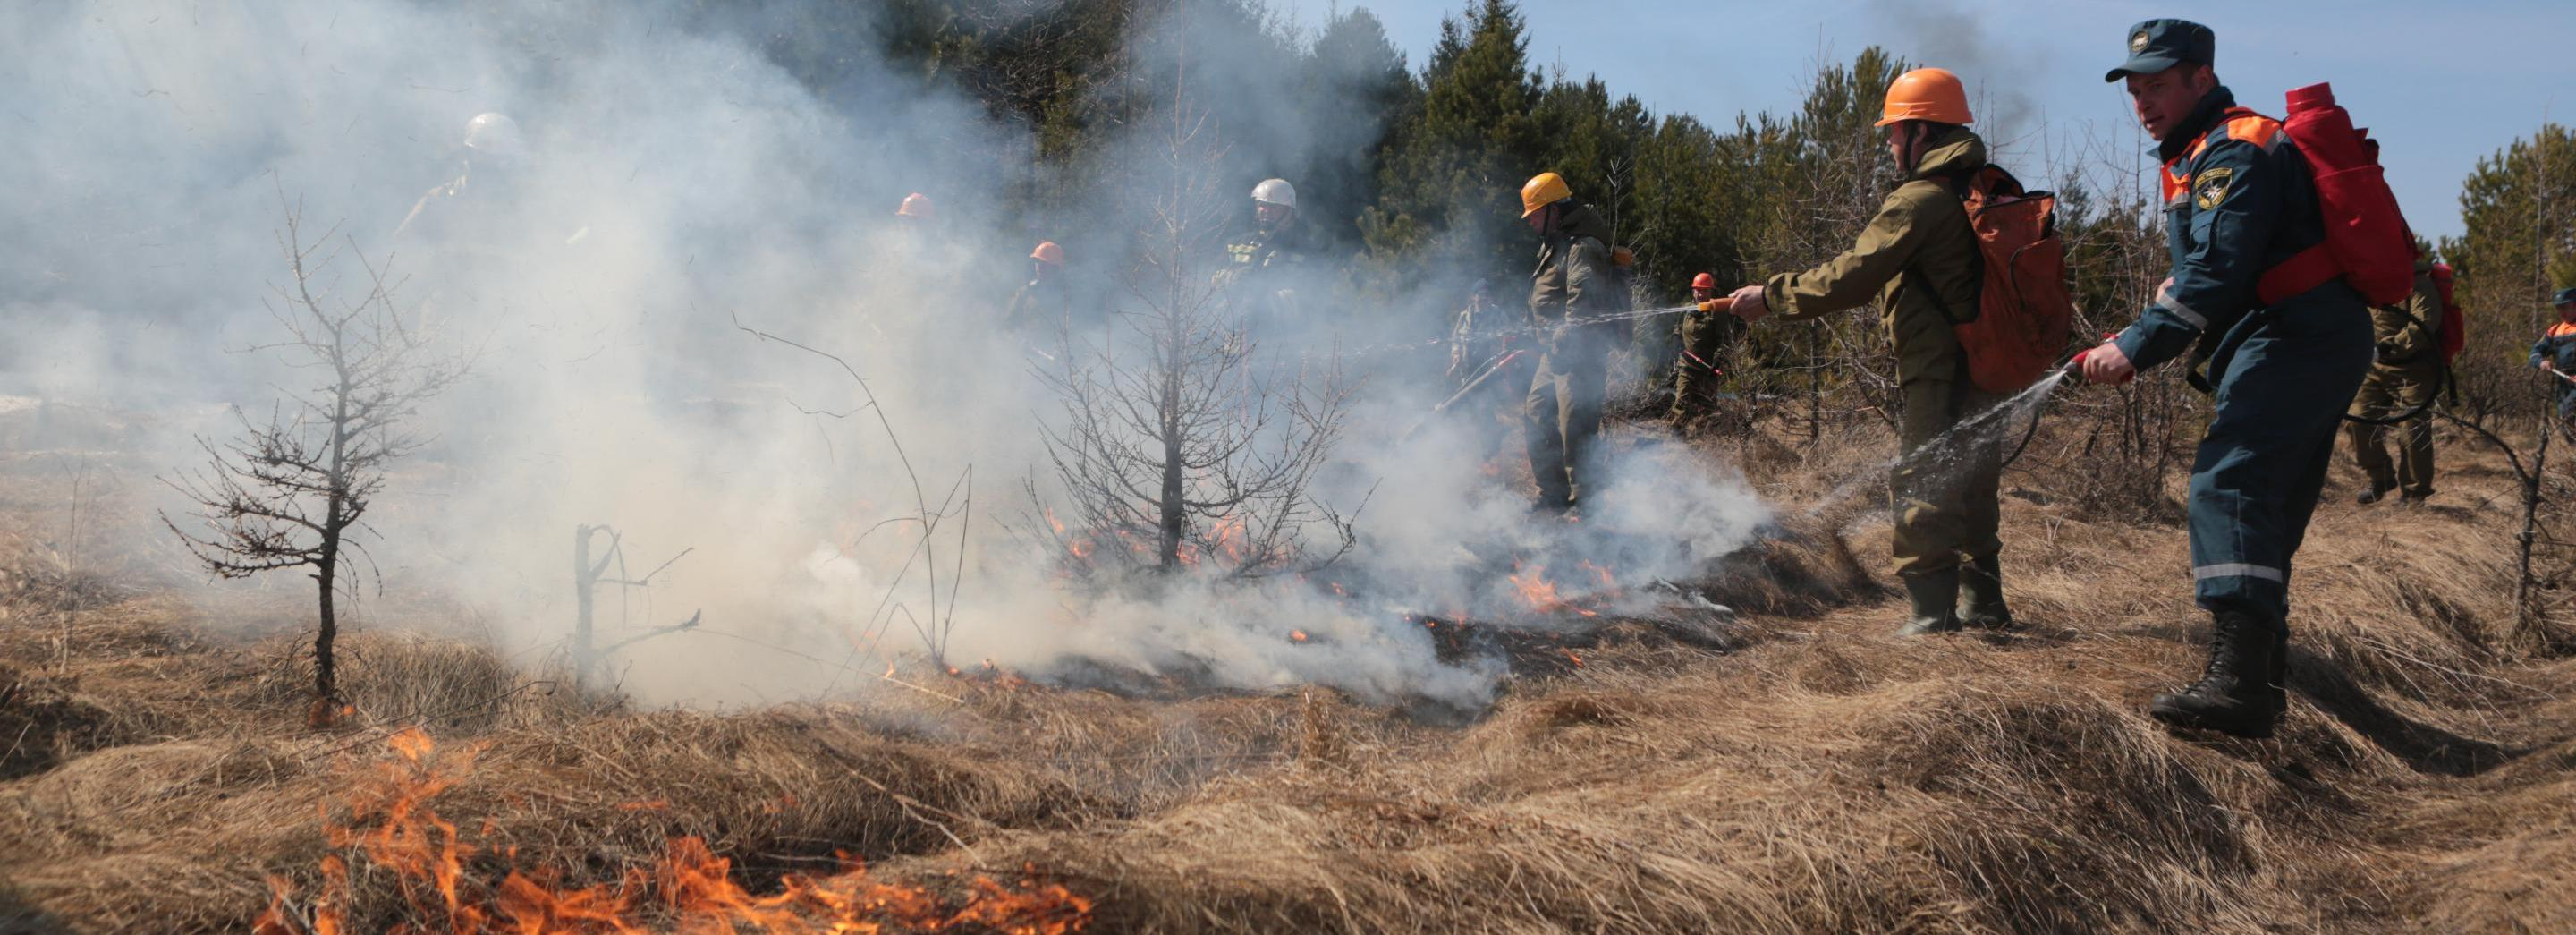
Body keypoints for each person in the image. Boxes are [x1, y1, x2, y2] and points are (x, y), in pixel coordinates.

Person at [2076, 19, 2377, 739]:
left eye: (2159, 85)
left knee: (2228, 485)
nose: (2144, 101)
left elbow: (2218, 271)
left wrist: (2136, 347)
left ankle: (2238, 685)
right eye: (2136, 89)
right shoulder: (2202, 152)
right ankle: (2260, 687)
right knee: (2263, 506)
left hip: (2297, 335)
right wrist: (2162, 304)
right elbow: (2219, 264)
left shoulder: (2232, 151)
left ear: (2201, 80)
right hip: (2305, 334)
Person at [1723, 68, 2008, 635]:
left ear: (1923, 132)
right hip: (1990, 362)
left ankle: (1931, 619)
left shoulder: (1919, 201)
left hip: (1939, 367)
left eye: (1896, 132)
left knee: (1924, 482)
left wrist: (1771, 297)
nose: (1889, 143)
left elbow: (1851, 276)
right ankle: (1987, 609)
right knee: (1973, 483)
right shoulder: (1984, 186)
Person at [1520, 172, 1626, 515]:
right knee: (1537, 414)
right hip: (1556, 354)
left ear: (1554, 209)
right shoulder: (1555, 245)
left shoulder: (1583, 247)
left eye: (1535, 213)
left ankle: (1586, 504)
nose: (1531, 221)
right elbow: (1547, 297)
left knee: (1574, 426)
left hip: (1581, 355)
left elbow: (1584, 303)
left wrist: (1561, 336)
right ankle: (1552, 495)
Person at [2346, 257, 2445, 505]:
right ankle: (2380, 478)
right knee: (2357, 418)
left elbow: (2425, 323)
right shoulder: (2369, 280)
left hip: (2414, 372)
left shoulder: (2419, 283)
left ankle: (2414, 493)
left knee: (2413, 431)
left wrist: (2391, 346)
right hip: (2375, 367)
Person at [1216, 178, 1309, 328]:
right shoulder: (1236, 244)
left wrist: (1261, 298)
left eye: (1274, 207)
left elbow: (1309, 296)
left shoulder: (1305, 249)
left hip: (1282, 340)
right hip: (1231, 338)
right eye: (1262, 205)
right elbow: (1207, 280)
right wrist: (1232, 277)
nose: (1266, 211)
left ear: (1289, 210)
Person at [1668, 272, 1746, 430]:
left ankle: (1708, 437)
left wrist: (1717, 361)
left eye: (1704, 290)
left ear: (1711, 292)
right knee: (1681, 400)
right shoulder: (1686, 309)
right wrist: (1676, 339)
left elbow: (1724, 340)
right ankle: (1676, 434)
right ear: (1693, 291)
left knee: (1708, 406)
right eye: (1697, 290)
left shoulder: (1717, 312)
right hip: (1686, 366)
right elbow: (1678, 328)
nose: (1700, 294)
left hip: (1708, 368)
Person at [2532, 287, 2576, 419]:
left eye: (2565, 307)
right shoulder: (2554, 331)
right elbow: (2535, 352)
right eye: (2559, 308)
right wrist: (2541, 362)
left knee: (2571, 409)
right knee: (2565, 419)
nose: (2561, 311)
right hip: (2563, 383)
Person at [1004, 241, 1067, 331]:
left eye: (1044, 263)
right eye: (1037, 261)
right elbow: (1009, 325)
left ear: (1055, 268)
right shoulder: (1025, 293)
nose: (1039, 266)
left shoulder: (1067, 296)